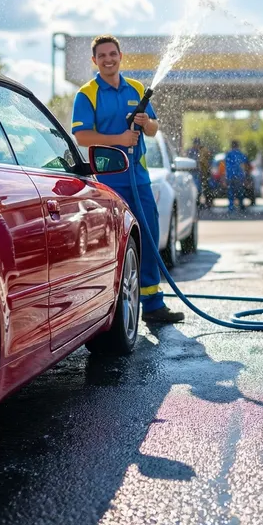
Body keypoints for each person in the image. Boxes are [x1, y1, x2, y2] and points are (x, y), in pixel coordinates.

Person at [71, 34, 184, 324]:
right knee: (112, 243)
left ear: (120, 56)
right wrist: (119, 139)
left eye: (113, 54)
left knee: (148, 237)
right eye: (102, 55)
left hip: (138, 177)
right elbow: (82, 135)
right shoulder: (87, 94)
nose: (108, 59)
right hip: (107, 181)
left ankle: (153, 304)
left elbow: (154, 130)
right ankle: (109, 305)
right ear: (94, 60)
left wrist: (147, 123)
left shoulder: (136, 88)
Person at [224, 140, 249, 212]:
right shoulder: (241, 154)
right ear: (238, 145)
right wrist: (245, 177)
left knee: (230, 191)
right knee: (240, 191)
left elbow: (226, 166)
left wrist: (225, 177)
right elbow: (244, 165)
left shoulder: (228, 154)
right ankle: (241, 206)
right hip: (239, 175)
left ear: (231, 146)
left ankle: (231, 207)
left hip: (230, 175)